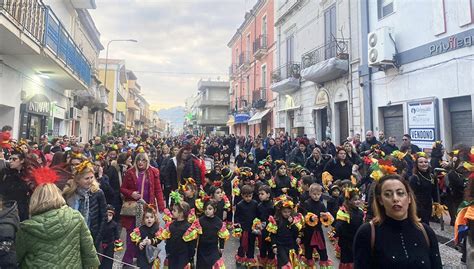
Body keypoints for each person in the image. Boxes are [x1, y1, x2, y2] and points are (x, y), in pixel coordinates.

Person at [15, 166, 100, 268]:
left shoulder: (26, 228)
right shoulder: (75, 218)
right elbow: (89, 252)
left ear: (35, 200)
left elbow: (17, 257)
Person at [353, 174, 442, 269]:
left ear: (409, 198)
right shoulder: (367, 233)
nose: (395, 199)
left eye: (400, 193)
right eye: (388, 194)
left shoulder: (426, 232)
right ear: (380, 200)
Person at [120, 152, 166, 265]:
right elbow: (122, 189)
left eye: (143, 160)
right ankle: (127, 261)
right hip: (133, 210)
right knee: (132, 235)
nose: (141, 162)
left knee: (147, 234)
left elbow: (158, 190)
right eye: (138, 160)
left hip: (147, 209)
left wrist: (161, 207)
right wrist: (131, 194)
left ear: (147, 161)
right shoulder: (130, 172)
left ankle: (145, 260)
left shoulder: (153, 172)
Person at [63, 160, 107, 249]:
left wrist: (97, 239)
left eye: (92, 177)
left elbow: (103, 217)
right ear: (78, 180)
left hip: (92, 235)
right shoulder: (70, 194)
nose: (90, 181)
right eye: (86, 178)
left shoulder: (98, 193)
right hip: (73, 236)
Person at [183, 199, 230, 269]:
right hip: (202, 248)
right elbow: (194, 235)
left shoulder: (219, 222)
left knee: (214, 265)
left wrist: (221, 247)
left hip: (213, 248)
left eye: (210, 209)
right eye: (205, 209)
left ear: (215, 210)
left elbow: (222, 236)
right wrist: (193, 247)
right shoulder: (199, 221)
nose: (207, 211)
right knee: (202, 266)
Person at [156, 192, 196, 268]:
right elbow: (168, 240)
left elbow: (191, 244)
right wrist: (167, 252)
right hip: (172, 255)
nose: (172, 212)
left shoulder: (188, 227)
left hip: (183, 256)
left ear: (181, 213)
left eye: (174, 210)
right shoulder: (171, 225)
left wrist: (191, 255)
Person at [300, 183, 334, 268]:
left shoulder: (321, 204)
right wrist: (311, 218)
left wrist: (326, 217)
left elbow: (326, 216)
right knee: (308, 249)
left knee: (322, 248)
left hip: (318, 230)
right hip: (308, 231)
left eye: (318, 194)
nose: (316, 196)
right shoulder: (307, 203)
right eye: (314, 194)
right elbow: (304, 215)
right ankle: (309, 263)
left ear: (321, 194)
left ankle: (324, 262)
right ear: (310, 193)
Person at [266, 195, 303, 268]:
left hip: (291, 245)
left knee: (291, 263)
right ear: (280, 211)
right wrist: (274, 246)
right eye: (285, 212)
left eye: (289, 212)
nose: (287, 214)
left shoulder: (294, 220)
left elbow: (296, 233)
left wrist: (292, 224)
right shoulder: (276, 221)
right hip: (280, 245)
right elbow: (272, 235)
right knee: (283, 264)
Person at [334, 187, 364, 269]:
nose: (357, 201)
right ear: (349, 200)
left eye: (359, 199)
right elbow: (339, 225)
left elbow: (362, 225)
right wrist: (335, 233)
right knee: (346, 260)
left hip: (356, 239)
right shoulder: (344, 212)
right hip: (346, 241)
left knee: (356, 259)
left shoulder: (361, 212)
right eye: (355, 199)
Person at [0, 148, 31, 221]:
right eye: (10, 159)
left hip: (22, 208)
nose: (11, 161)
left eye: (14, 159)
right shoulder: (5, 173)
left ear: (22, 160)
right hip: (7, 208)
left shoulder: (28, 175)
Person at [409, 154, 439, 225]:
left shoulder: (432, 176)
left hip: (428, 204)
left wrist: (436, 204)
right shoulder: (414, 178)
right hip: (418, 206)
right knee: (423, 225)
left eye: (425, 162)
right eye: (421, 162)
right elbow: (411, 194)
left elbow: (434, 192)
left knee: (426, 223)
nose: (424, 164)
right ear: (417, 164)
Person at [234, 185, 259, 266]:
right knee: (242, 244)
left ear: (252, 195)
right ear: (242, 196)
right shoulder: (239, 205)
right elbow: (236, 216)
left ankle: (250, 258)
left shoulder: (255, 203)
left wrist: (258, 223)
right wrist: (237, 225)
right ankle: (240, 256)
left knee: (251, 243)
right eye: (246, 196)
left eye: (250, 196)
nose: (248, 198)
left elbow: (257, 215)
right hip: (244, 228)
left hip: (252, 228)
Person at [130, 204, 161, 269]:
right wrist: (140, 243)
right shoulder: (141, 229)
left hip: (152, 253)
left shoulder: (156, 228)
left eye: (151, 217)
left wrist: (151, 241)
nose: (149, 219)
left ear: (155, 218)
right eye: (147, 218)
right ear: (143, 219)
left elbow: (159, 239)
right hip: (142, 254)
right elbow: (136, 239)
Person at [256, 185, 276, 267]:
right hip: (262, 229)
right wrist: (258, 224)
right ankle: (262, 262)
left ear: (268, 194)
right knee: (262, 247)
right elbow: (257, 217)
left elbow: (276, 217)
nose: (260, 195)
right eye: (259, 194)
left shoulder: (273, 205)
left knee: (271, 247)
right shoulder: (259, 205)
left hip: (271, 229)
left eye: (262, 194)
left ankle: (271, 263)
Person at [99, 205, 122, 269]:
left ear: (112, 216)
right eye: (107, 215)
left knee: (109, 260)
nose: (108, 217)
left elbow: (117, 235)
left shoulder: (114, 224)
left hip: (110, 245)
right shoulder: (101, 223)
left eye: (110, 215)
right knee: (100, 260)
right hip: (101, 244)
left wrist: (118, 244)